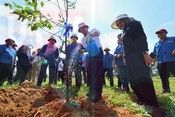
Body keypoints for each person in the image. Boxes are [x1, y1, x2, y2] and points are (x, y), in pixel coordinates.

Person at [111, 14, 164, 116]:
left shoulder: (134, 25)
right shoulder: (125, 31)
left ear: (126, 20)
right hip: (129, 59)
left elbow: (141, 39)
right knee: (133, 81)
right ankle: (143, 103)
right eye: (117, 24)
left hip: (137, 56)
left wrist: (145, 53)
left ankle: (153, 106)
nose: (119, 25)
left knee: (142, 78)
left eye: (120, 22)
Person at [78, 22, 103, 103]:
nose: (83, 29)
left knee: (98, 72)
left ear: (87, 27)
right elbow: (86, 48)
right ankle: (92, 90)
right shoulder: (82, 40)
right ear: (80, 31)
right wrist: (82, 50)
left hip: (98, 52)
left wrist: (90, 35)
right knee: (90, 72)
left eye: (84, 27)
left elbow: (97, 33)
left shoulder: (92, 31)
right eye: (81, 29)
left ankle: (98, 93)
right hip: (91, 55)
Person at [153, 29, 175, 93]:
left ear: (166, 33)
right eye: (158, 33)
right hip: (161, 62)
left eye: (161, 32)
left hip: (172, 61)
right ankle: (166, 89)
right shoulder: (156, 44)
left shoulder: (172, 39)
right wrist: (153, 61)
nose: (160, 34)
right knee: (163, 77)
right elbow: (155, 54)